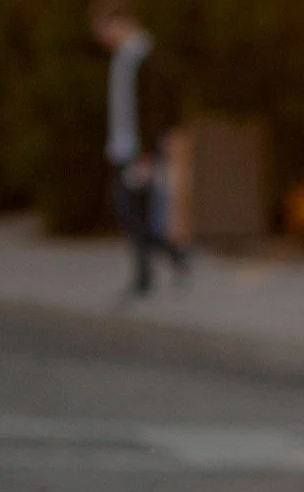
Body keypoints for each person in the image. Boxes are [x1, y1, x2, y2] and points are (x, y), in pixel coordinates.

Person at [92, 0, 189, 302]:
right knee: (135, 212)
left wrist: (148, 151)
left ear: (118, 23)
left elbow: (157, 109)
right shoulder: (123, 59)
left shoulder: (143, 58)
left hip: (139, 151)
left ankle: (152, 271)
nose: (100, 36)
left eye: (102, 27)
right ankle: (169, 259)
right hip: (124, 149)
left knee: (130, 210)